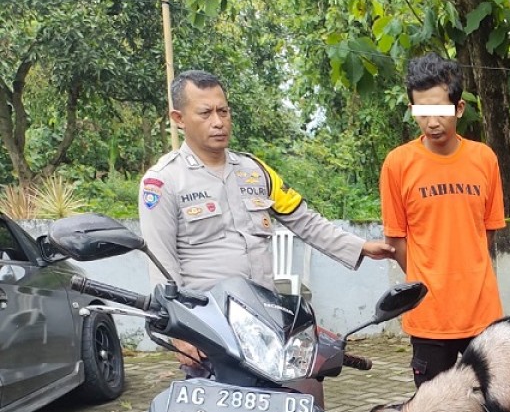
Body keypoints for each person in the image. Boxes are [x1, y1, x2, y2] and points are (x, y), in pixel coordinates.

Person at [139, 69, 394, 369]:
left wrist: (360, 246)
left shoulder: (254, 171)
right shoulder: (163, 182)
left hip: (265, 321)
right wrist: (181, 336)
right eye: (205, 113)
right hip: (210, 329)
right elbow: (161, 264)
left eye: (223, 111)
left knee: (304, 389)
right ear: (179, 119)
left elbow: (304, 221)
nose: (218, 122)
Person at [379, 53, 510, 412]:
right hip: (428, 314)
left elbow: (486, 234)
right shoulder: (398, 164)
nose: (432, 120)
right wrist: (427, 283)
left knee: (491, 402)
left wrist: (464, 273)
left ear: (459, 108)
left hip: (482, 312)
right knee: (427, 404)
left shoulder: (483, 159)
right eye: (421, 110)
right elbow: (398, 241)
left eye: (441, 109)